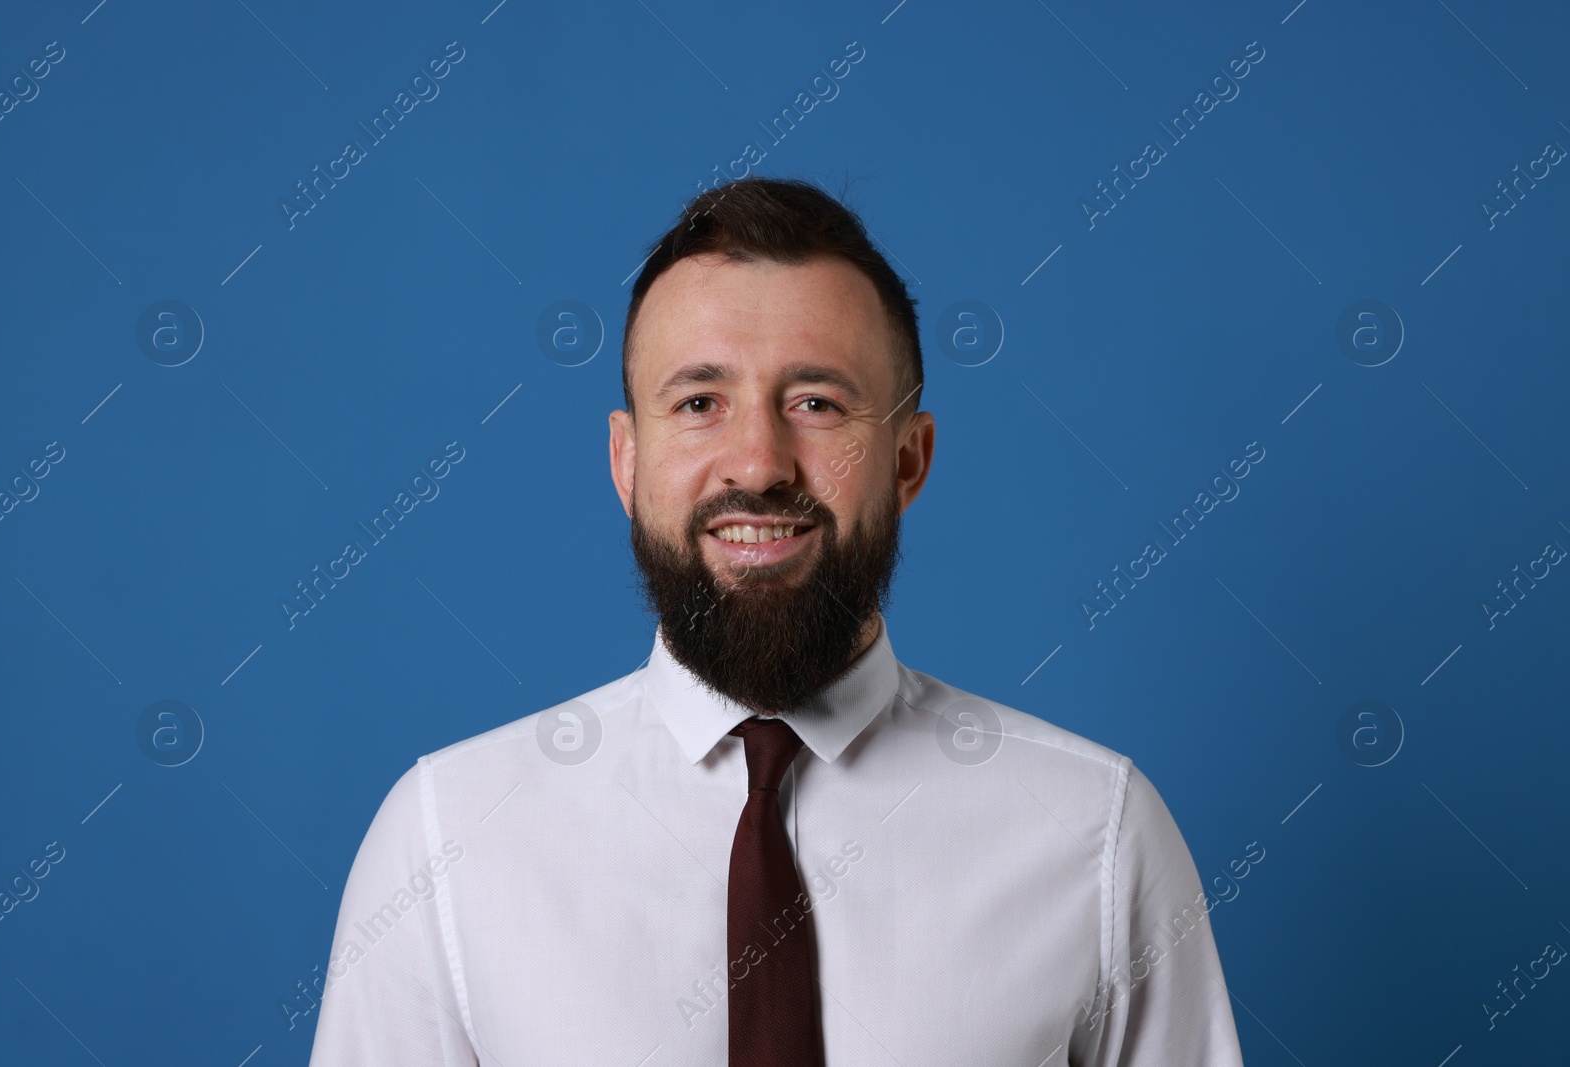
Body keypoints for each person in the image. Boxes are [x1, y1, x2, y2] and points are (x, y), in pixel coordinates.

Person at [307, 177, 1246, 1065]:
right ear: (627, 462)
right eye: (700, 402)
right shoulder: (445, 840)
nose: (758, 462)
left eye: (816, 403)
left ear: (909, 461)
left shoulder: (1097, 833)